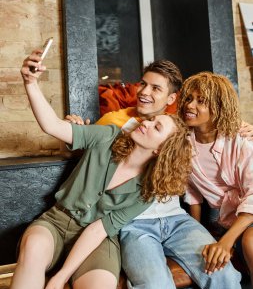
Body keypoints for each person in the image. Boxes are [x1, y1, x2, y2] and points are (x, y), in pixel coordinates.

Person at [11, 51, 192, 289]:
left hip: (98, 240)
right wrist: (31, 83)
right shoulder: (109, 133)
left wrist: (61, 276)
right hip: (56, 221)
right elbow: (52, 125)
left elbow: (98, 230)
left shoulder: (150, 189)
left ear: (161, 150)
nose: (146, 122)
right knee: (32, 250)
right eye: (143, 84)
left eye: (155, 126)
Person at [66, 61, 243, 288]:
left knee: (224, 275)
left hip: (177, 220)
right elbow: (87, 154)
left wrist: (243, 126)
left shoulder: (179, 127)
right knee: (155, 284)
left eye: (156, 88)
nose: (144, 92)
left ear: (171, 99)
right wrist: (74, 128)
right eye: (143, 84)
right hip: (133, 224)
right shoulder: (113, 122)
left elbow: (215, 123)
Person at [178, 71, 253, 286]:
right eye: (189, 99)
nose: (190, 106)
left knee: (250, 241)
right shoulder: (183, 145)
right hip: (225, 220)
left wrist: (225, 241)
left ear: (219, 107)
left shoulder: (241, 140)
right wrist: (195, 229)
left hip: (248, 215)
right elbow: (191, 192)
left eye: (201, 101)